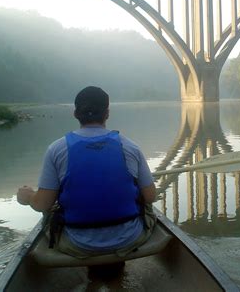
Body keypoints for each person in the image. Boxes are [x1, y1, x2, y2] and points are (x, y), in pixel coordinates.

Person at [16, 86, 156, 257]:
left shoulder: (56, 149)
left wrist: (29, 196)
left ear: (75, 113)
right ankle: (115, 265)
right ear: (107, 113)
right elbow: (150, 197)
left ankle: (93, 267)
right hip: (129, 238)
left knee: (50, 208)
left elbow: (42, 204)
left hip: (77, 241)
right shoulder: (130, 146)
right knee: (144, 203)